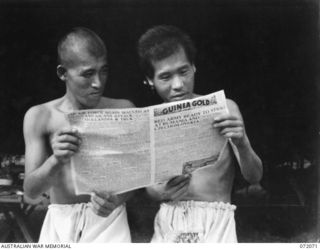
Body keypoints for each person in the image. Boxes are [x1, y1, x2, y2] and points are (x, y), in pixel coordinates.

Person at [137, 25, 263, 243]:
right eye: (165, 77)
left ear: (194, 67)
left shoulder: (224, 108)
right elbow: (151, 191)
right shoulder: (147, 123)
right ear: (149, 80)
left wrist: (242, 143)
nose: (178, 85)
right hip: (170, 219)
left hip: (216, 222)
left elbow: (255, 176)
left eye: (183, 71)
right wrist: (164, 192)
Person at [23, 27, 134, 243]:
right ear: (62, 73)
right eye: (88, 73)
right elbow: (30, 192)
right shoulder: (41, 116)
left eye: (104, 71)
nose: (98, 83)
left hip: (110, 221)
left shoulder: (124, 109)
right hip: (60, 222)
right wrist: (55, 160)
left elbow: (138, 181)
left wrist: (116, 199)